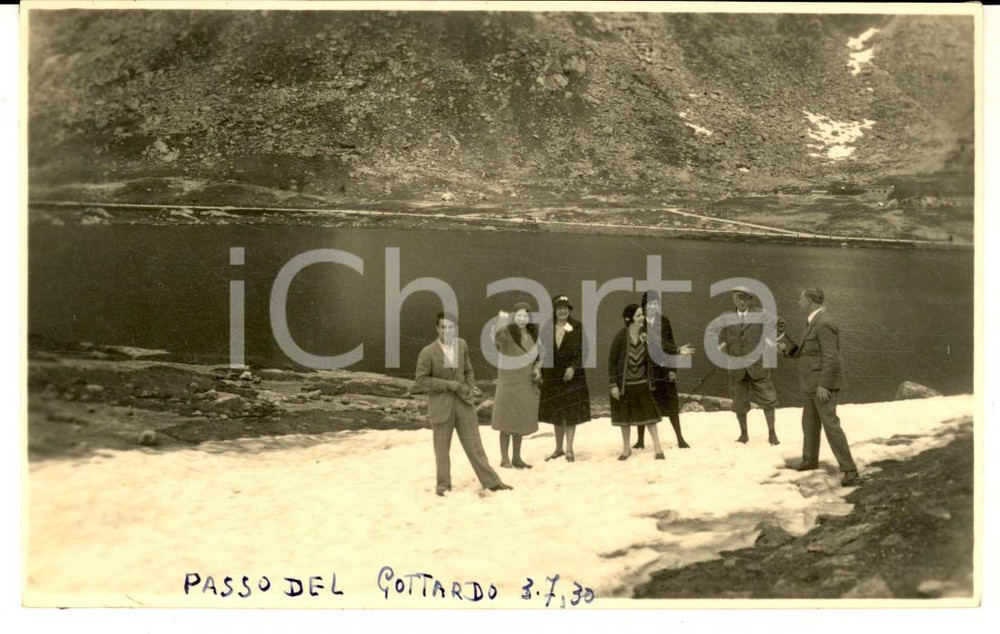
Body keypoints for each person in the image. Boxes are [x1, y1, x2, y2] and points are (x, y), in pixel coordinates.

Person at [415, 312, 511, 497]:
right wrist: (449, 385)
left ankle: (492, 483)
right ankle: (443, 486)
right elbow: (421, 380)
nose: (447, 331)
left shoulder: (462, 345)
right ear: (437, 328)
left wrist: (469, 387)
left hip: (463, 403)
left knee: (475, 446)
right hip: (441, 406)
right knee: (442, 450)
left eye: (451, 327)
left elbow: (468, 370)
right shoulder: (427, 352)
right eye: (443, 327)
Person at [779, 289, 860, 486]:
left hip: (821, 386)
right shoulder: (813, 321)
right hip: (811, 384)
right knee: (809, 423)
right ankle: (810, 461)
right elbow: (807, 352)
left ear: (809, 300)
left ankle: (850, 470)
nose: (799, 301)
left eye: (801, 298)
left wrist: (824, 385)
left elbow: (832, 357)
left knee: (831, 426)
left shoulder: (824, 323)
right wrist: (785, 346)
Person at [708, 286, 782, 445]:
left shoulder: (761, 314)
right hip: (736, 368)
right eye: (738, 299)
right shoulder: (726, 316)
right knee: (739, 403)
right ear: (733, 299)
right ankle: (743, 435)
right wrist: (720, 346)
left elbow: (780, 324)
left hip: (758, 366)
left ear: (750, 300)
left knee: (768, 401)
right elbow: (712, 330)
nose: (741, 302)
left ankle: (772, 434)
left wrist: (768, 342)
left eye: (745, 299)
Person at [633, 290, 696, 450]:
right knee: (644, 405)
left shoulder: (664, 321)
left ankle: (680, 438)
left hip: (664, 369)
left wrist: (673, 369)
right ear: (644, 305)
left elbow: (670, 344)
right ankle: (640, 440)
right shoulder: (639, 322)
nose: (653, 307)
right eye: (650, 303)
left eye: (655, 303)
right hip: (645, 370)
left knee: (672, 405)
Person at [608, 303, 665, 460]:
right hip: (625, 386)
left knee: (650, 418)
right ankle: (626, 449)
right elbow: (612, 362)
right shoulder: (620, 337)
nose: (642, 318)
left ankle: (658, 448)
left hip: (642, 384)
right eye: (638, 315)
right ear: (630, 319)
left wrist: (678, 351)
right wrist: (613, 385)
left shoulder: (645, 335)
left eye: (642, 315)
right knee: (624, 420)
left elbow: (662, 348)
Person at [538, 295, 591, 462]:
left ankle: (569, 448)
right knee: (556, 413)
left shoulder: (577, 326)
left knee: (571, 412)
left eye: (565, 307)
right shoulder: (547, 327)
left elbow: (585, 350)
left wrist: (573, 367)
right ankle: (558, 448)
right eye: (559, 308)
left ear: (569, 309)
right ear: (555, 310)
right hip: (552, 377)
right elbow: (541, 351)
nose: (562, 311)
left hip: (572, 377)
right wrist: (540, 371)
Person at [491, 302, 541, 469]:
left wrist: (537, 368)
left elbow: (539, 356)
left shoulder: (533, 334)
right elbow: (497, 339)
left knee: (520, 420)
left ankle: (517, 458)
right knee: (506, 421)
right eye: (518, 315)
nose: (522, 318)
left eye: (525, 315)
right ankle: (504, 459)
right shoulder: (506, 331)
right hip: (508, 383)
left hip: (526, 382)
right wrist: (501, 322)